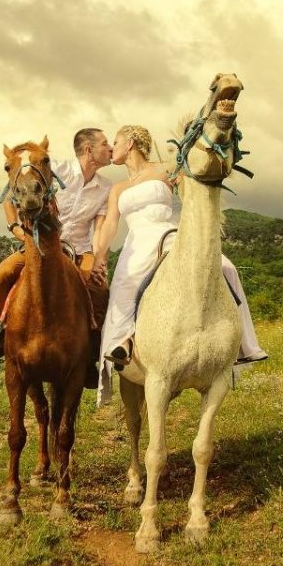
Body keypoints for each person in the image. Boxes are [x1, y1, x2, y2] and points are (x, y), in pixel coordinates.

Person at [90, 125, 268, 403]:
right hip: (137, 243)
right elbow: (111, 224)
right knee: (124, 284)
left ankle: (242, 343)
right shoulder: (118, 189)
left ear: (132, 144)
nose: (112, 147)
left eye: (116, 141)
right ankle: (123, 343)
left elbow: (195, 179)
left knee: (226, 267)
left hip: (168, 234)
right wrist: (100, 255)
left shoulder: (165, 168)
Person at [0, 128, 114, 367]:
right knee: (2, 273)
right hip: (40, 244)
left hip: (78, 249)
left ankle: (91, 352)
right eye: (105, 144)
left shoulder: (106, 187)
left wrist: (99, 259)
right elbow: (10, 196)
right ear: (89, 150)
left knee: (100, 287)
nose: (110, 148)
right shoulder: (55, 168)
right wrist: (15, 228)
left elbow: (99, 229)